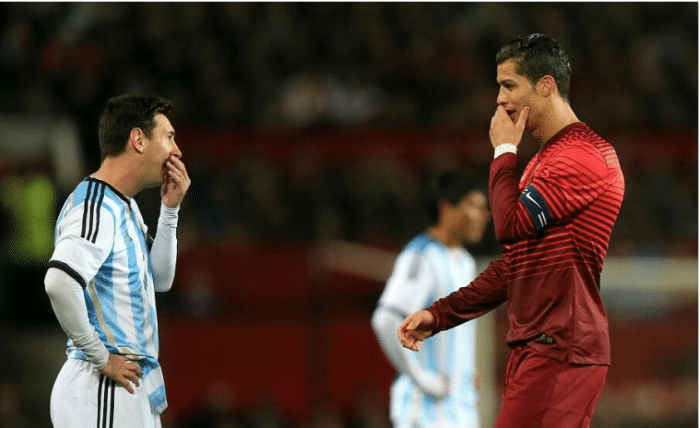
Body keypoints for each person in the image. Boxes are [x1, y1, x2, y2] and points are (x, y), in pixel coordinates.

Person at [398, 33, 625, 428]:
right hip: (542, 344)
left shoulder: (583, 155)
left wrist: (504, 151)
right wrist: (440, 314)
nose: (500, 99)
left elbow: (508, 226)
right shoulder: (546, 160)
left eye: (509, 85)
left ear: (546, 86)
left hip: (562, 345)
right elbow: (513, 265)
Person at [44, 94, 190, 428]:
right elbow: (59, 281)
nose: (177, 151)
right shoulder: (95, 205)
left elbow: (160, 279)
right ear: (138, 139)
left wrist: (170, 211)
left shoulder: (123, 205)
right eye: (168, 137)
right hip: (102, 387)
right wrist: (101, 357)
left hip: (124, 383)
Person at [372, 171, 491, 428]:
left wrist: (465, 372)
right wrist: (422, 378)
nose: (485, 215)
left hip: (459, 412)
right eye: (475, 206)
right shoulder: (422, 256)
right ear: (446, 208)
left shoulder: (464, 262)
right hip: (426, 414)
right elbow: (385, 319)